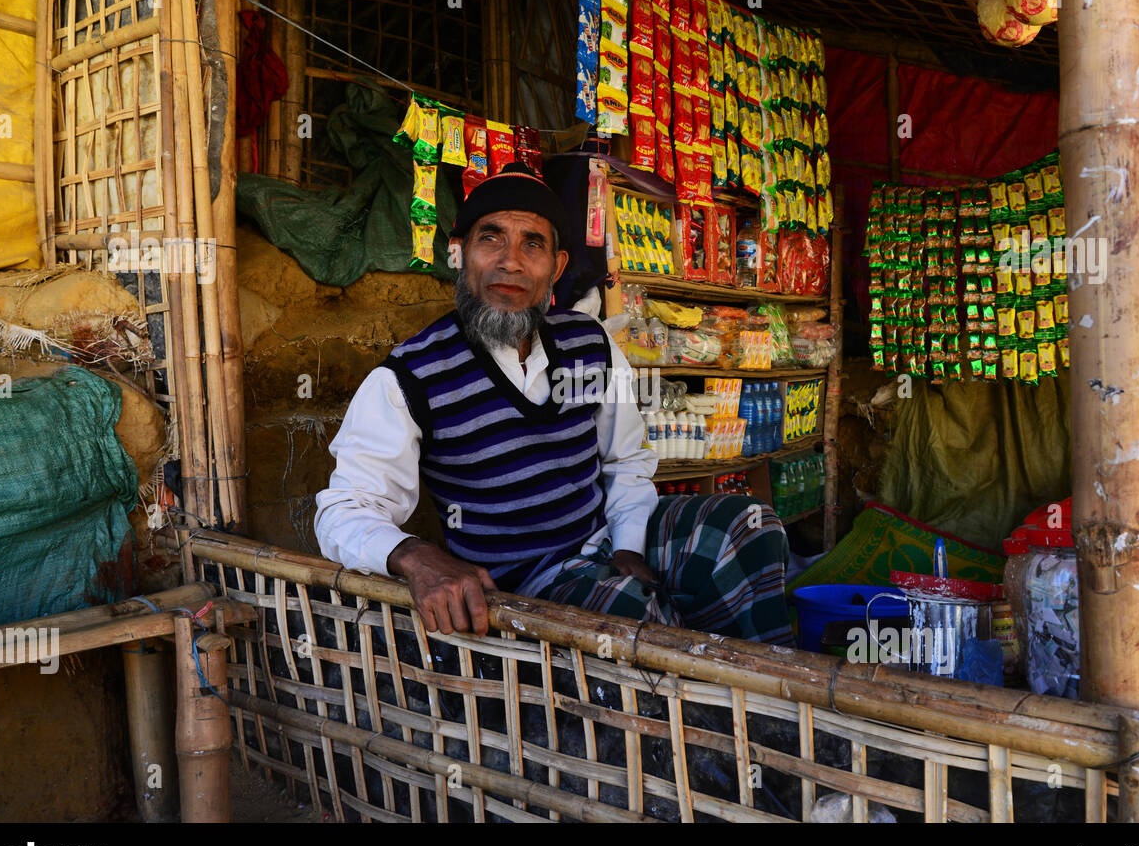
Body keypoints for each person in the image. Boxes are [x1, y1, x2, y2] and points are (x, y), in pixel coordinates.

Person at [314, 162, 794, 646]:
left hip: (604, 541)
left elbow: (625, 460)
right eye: (491, 238)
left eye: (533, 244)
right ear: (458, 254)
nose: (511, 262)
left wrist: (627, 545)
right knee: (631, 611)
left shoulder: (590, 343)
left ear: (557, 267)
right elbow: (342, 510)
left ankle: (772, 689)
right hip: (523, 585)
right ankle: (700, 706)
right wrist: (415, 555)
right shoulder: (411, 376)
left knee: (751, 527)